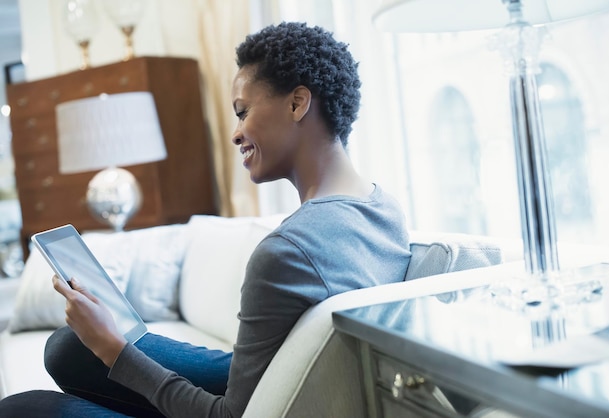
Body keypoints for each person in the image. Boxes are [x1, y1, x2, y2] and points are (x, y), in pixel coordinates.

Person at [0, 21, 411, 417]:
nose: (235, 133)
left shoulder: (287, 252)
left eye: (243, 111)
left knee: (24, 408)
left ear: (297, 103)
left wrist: (113, 349)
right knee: (69, 347)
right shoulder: (382, 207)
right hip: (276, 374)